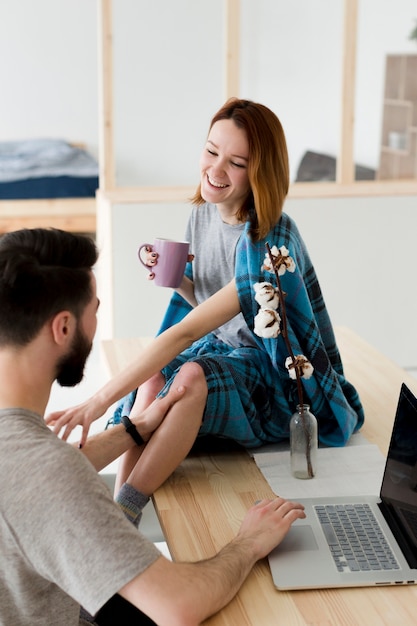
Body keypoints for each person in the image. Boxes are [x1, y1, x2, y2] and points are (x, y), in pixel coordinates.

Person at [47, 98, 364, 525]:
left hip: (272, 375)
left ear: (260, 173)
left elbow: (183, 334)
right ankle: (118, 510)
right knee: (156, 377)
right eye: (212, 151)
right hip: (226, 348)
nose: (215, 170)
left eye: (235, 162)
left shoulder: (267, 242)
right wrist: (179, 280)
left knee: (190, 374)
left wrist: (95, 401)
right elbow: (217, 312)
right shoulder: (203, 215)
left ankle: (128, 507)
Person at [0, 226, 306, 626]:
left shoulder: (27, 454)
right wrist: (249, 542)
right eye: (95, 307)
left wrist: (135, 427)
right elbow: (179, 607)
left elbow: (27, 475)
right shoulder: (47, 474)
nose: (97, 314)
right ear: (63, 328)